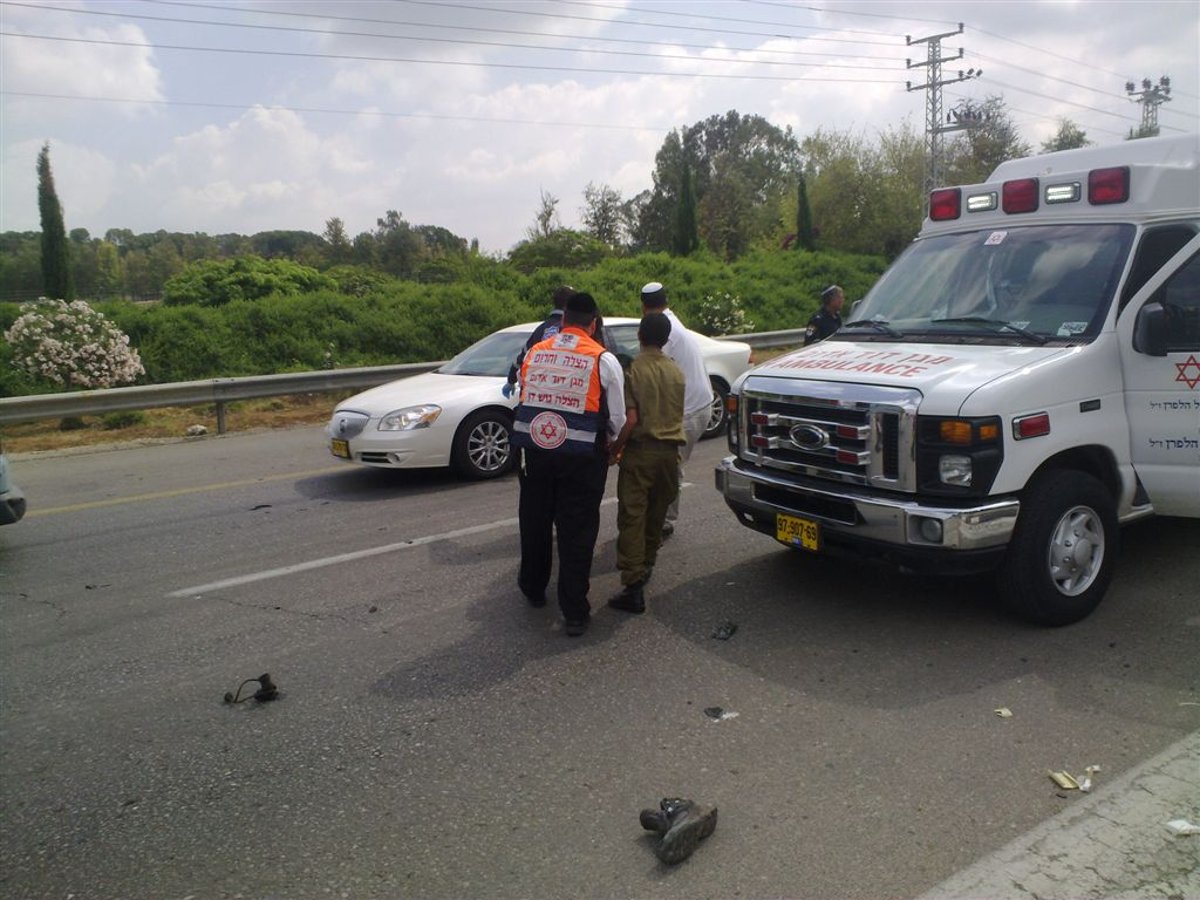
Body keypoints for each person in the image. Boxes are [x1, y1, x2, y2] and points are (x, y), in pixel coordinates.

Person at [512, 291, 626, 637]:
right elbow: (618, 418)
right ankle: (574, 612)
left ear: (562, 320)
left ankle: (533, 588)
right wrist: (611, 443)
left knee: (534, 519)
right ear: (593, 325)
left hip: (535, 451)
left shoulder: (535, 351)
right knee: (577, 531)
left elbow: (522, 391)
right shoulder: (603, 359)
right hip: (581, 455)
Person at [607, 312, 686, 615]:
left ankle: (633, 584)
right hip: (670, 456)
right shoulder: (676, 371)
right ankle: (647, 564)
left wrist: (615, 448)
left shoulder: (634, 369)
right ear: (666, 340)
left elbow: (631, 419)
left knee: (633, 517)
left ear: (640, 336)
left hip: (641, 453)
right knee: (656, 514)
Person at [639, 282, 712, 538]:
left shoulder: (663, 331)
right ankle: (661, 518)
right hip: (698, 405)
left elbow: (652, 374)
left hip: (689, 411)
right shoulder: (670, 321)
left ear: (643, 306)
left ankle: (664, 522)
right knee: (669, 465)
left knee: (668, 468)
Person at [503, 284, 574, 398]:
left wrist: (511, 380)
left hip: (538, 391)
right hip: (564, 392)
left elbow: (522, 357)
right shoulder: (573, 330)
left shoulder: (540, 330)